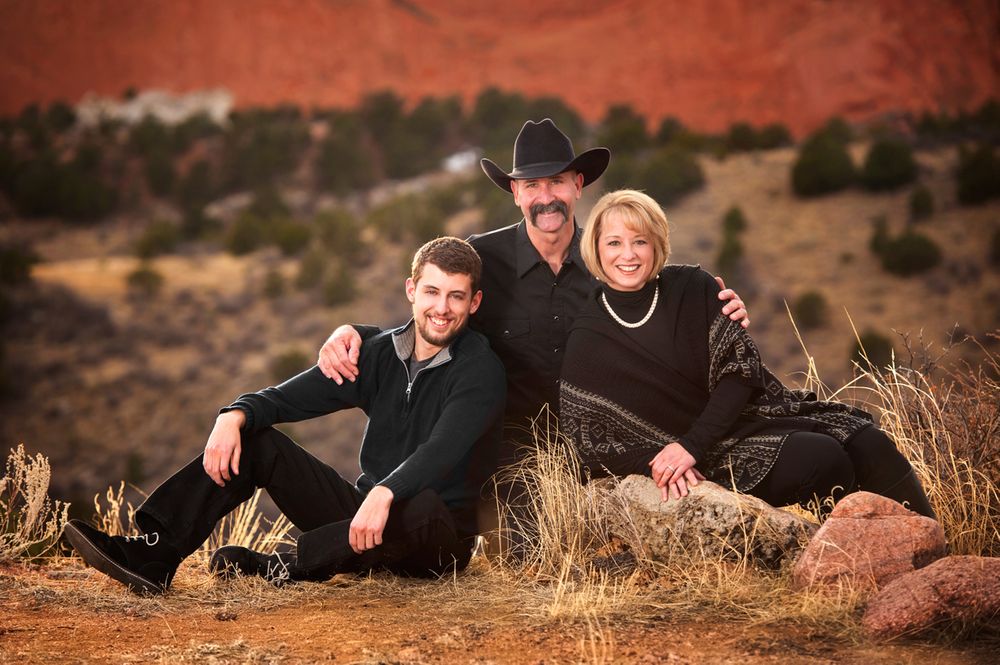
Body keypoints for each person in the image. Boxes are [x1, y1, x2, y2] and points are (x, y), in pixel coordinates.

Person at [62, 237, 507, 594]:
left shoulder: (479, 370)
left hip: (435, 538)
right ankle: (155, 554)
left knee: (423, 506)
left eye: (456, 296)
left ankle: (288, 565)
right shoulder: (376, 355)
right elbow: (287, 399)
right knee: (258, 442)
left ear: (475, 302)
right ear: (411, 290)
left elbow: (442, 449)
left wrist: (387, 491)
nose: (442, 308)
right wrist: (235, 413)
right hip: (364, 519)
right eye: (431, 291)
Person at [318, 118, 749, 460]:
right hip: (511, 456)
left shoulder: (612, 261)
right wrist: (355, 332)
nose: (547, 197)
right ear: (515, 194)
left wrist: (718, 315)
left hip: (611, 450)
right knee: (530, 558)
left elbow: (664, 313)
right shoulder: (481, 259)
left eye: (557, 181)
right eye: (532, 185)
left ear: (578, 185)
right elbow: (436, 320)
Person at [558, 189, 934, 517]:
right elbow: (587, 442)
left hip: (740, 420)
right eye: (614, 243)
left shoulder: (693, 286)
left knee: (867, 439)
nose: (629, 254)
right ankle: (856, 561)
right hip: (706, 459)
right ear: (596, 247)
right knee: (822, 457)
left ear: (656, 245)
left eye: (640, 241)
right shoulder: (589, 335)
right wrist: (665, 458)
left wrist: (693, 442)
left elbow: (740, 372)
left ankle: (930, 550)